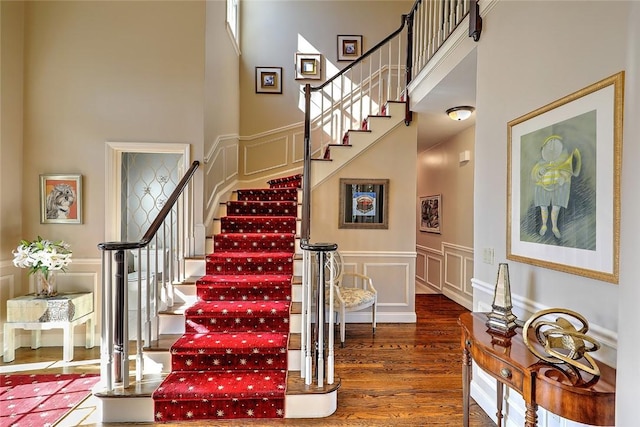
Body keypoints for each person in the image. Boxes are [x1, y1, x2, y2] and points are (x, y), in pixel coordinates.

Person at [531, 135, 581, 239]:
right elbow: (534, 175)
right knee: (543, 207)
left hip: (557, 189)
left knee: (556, 207)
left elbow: (568, 172)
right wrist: (540, 172)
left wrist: (563, 177)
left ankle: (554, 227)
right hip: (543, 188)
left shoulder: (562, 161)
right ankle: (544, 225)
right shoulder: (540, 163)